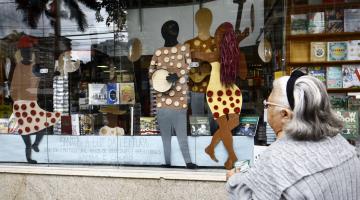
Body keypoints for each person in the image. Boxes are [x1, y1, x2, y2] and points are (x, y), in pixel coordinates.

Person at [226, 71, 360, 199]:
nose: (266, 109)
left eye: (268, 105)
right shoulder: (341, 143)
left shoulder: (276, 160)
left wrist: (234, 181)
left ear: (284, 114)